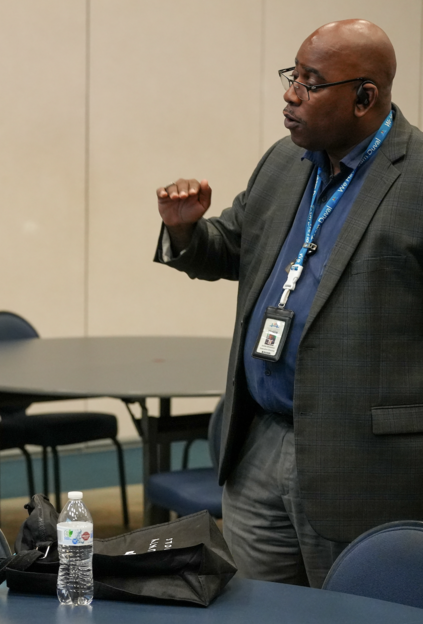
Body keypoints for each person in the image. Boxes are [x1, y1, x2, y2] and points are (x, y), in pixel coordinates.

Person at [153, 19, 423, 588]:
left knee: (354, 610)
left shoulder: (417, 179)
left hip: (363, 457)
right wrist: (185, 232)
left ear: (363, 97)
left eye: (310, 81)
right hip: (260, 442)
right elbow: (229, 248)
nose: (290, 94)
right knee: (256, 606)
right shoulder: (283, 162)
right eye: (292, 75)